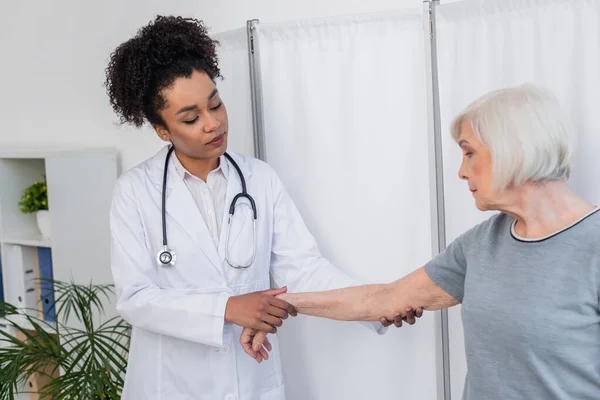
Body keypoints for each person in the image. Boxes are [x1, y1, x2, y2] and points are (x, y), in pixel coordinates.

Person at [104, 15, 421, 400]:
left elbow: (303, 268)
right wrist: (227, 308)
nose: (212, 123)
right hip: (173, 382)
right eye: (191, 118)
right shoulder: (135, 192)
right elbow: (136, 298)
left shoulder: (259, 180)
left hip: (248, 379)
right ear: (163, 131)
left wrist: (376, 303)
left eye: (215, 105)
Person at [243, 83, 600, 399]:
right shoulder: (482, 245)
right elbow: (384, 299)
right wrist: (281, 304)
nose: (461, 170)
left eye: (469, 152)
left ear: (512, 148)